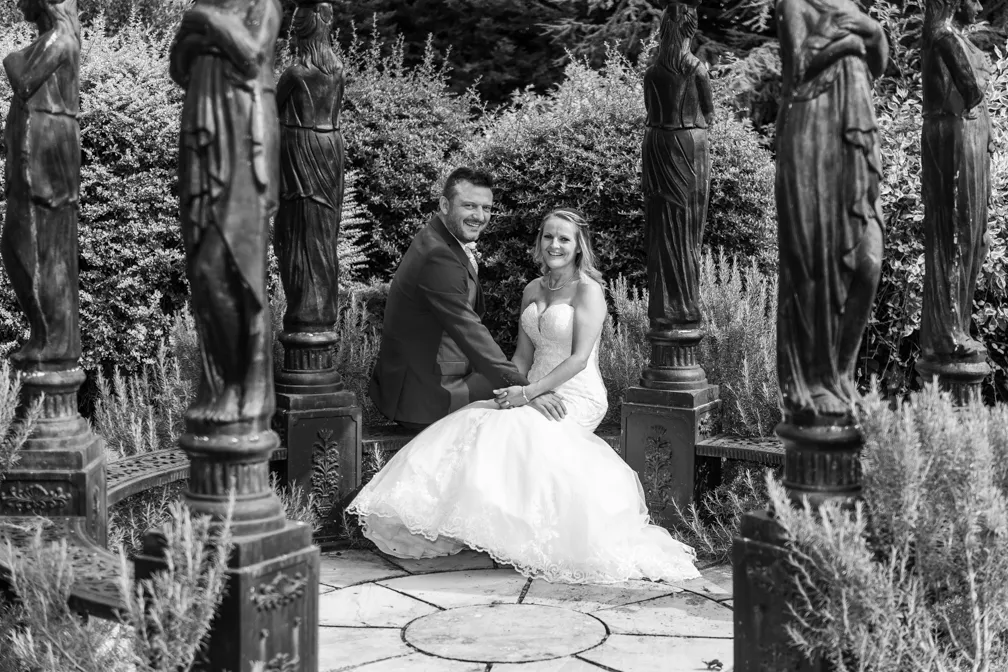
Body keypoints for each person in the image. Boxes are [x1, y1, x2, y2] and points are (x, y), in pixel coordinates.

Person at [348, 208, 701, 585]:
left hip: (574, 394)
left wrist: (530, 393)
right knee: (473, 418)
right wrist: (510, 390)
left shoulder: (589, 290)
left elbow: (580, 360)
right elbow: (521, 357)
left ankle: (526, 539)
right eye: (548, 236)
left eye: (564, 238)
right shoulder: (532, 289)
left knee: (519, 431)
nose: (555, 245)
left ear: (579, 246)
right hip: (529, 390)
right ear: (539, 242)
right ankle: (469, 526)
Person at [369, 167, 567, 431]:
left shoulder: (436, 238)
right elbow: (469, 329)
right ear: (444, 204)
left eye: (486, 208)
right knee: (527, 410)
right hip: (429, 392)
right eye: (470, 206)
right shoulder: (438, 256)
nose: (480, 216)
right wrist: (529, 390)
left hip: (429, 374)